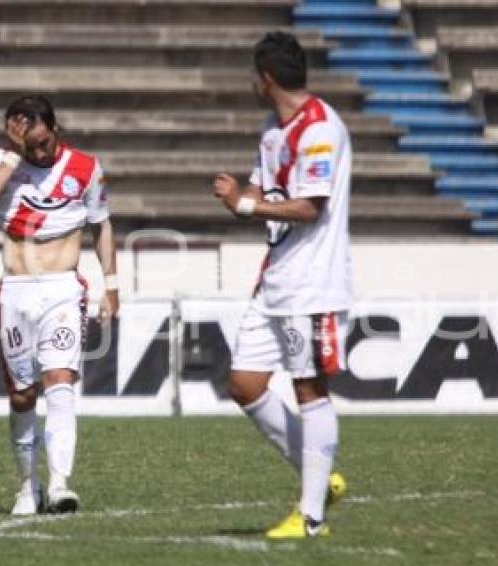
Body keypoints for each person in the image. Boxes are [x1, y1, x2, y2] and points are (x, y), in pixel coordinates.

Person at [212, 31, 352, 539]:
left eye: (254, 74)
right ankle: (320, 476)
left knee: (309, 389)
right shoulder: (272, 129)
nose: (252, 82)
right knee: (244, 384)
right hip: (275, 277)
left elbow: (310, 207)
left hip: (312, 282)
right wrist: (239, 193)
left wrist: (246, 205)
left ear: (266, 78)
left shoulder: (319, 128)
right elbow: (264, 188)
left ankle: (311, 517)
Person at [0, 95, 119, 515]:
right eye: (27, 144)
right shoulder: (1, 161)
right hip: (16, 290)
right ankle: (26, 485)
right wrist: (14, 158)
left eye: (42, 142)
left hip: (63, 289)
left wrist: (112, 285)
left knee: (60, 380)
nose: (38, 151)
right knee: (22, 396)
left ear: (56, 129)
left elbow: (101, 226)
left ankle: (60, 484)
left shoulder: (85, 168)